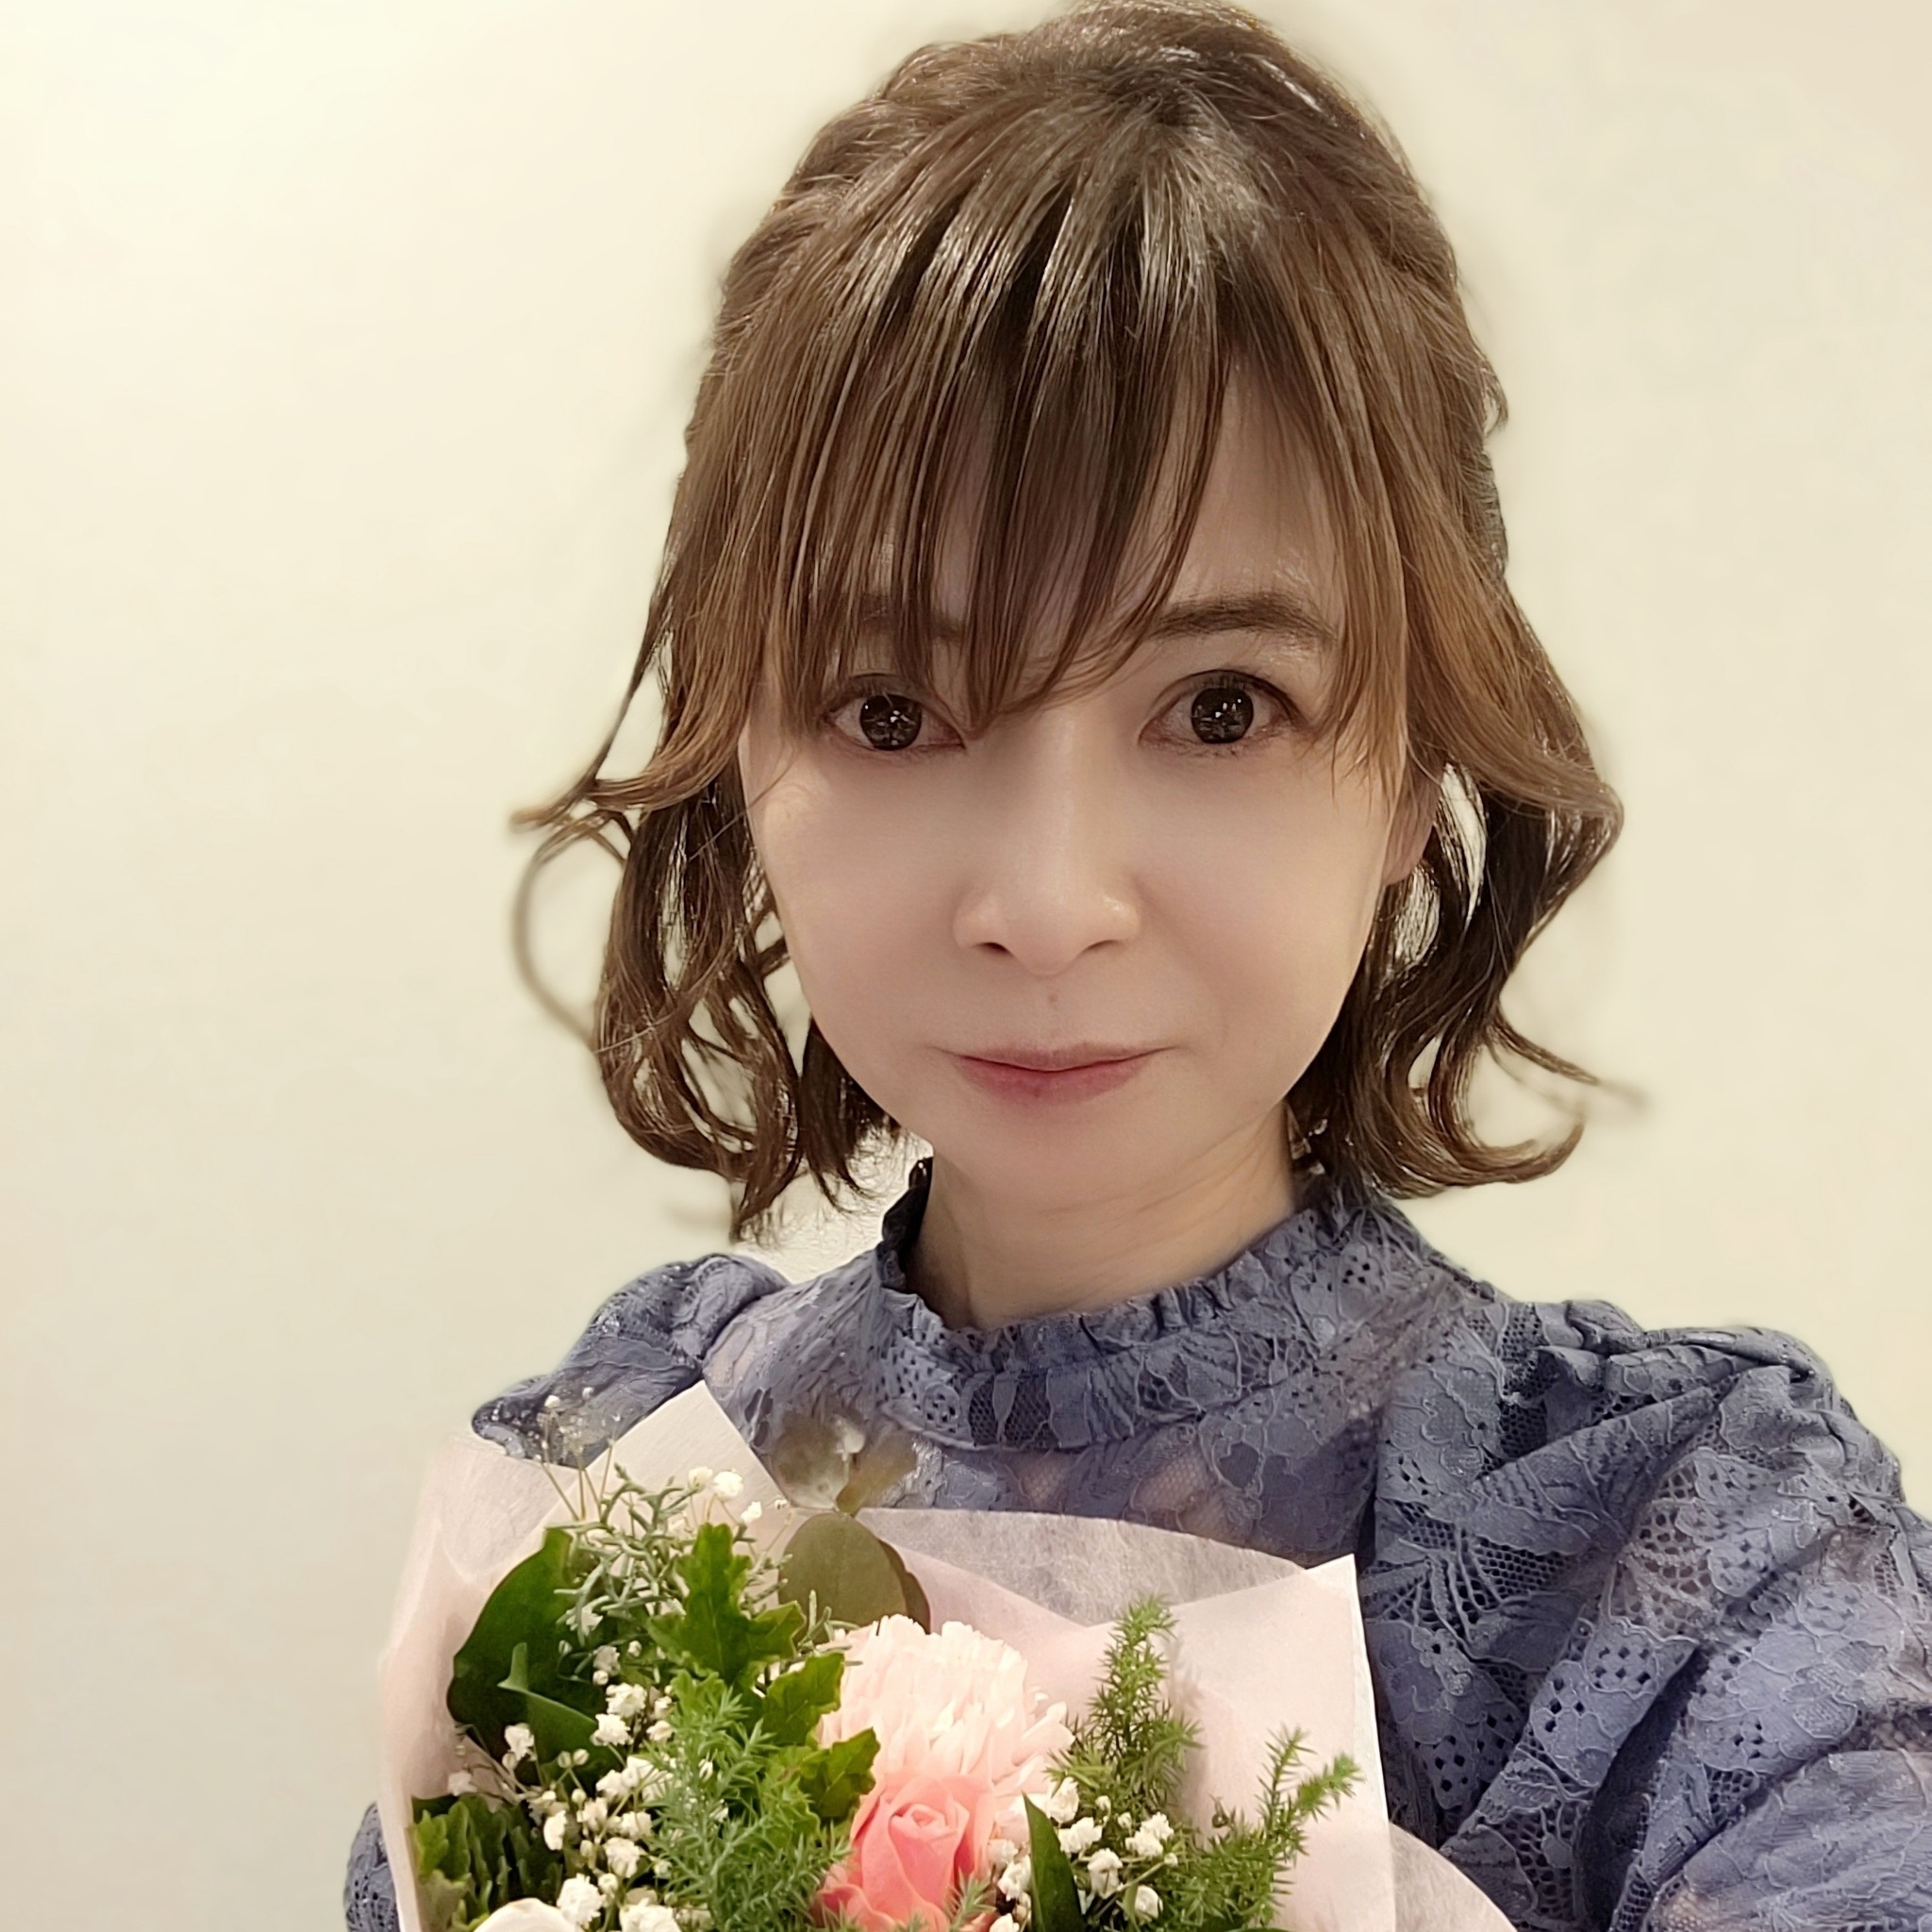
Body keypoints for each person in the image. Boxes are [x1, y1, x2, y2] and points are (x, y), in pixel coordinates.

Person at [344, 4, 1932, 1927]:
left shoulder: (1694, 1578)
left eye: (1221, 705)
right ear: (738, 749)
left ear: (1413, 766)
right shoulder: (616, 1494)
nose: (1046, 900)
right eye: (889, 706)